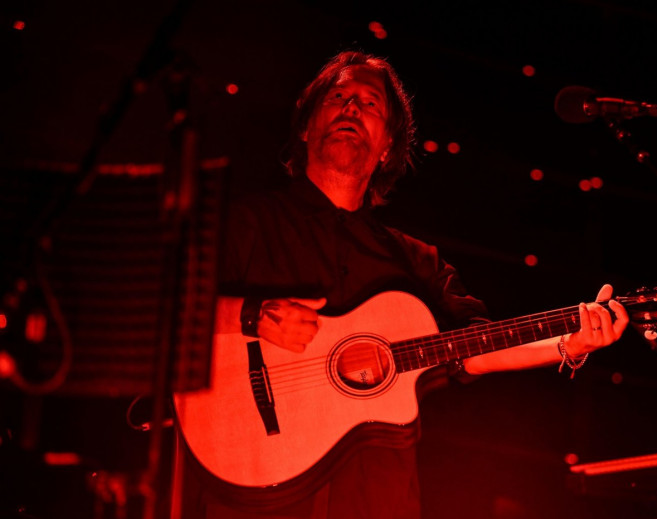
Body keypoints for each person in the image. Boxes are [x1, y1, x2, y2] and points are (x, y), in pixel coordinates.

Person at [177, 50, 629, 519]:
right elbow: (162, 310)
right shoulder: (246, 224)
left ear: (388, 146)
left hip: (375, 495)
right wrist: (249, 314)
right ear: (307, 127)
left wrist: (567, 342)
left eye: (370, 104)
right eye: (337, 97)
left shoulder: (415, 261)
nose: (351, 109)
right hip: (248, 489)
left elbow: (472, 348)